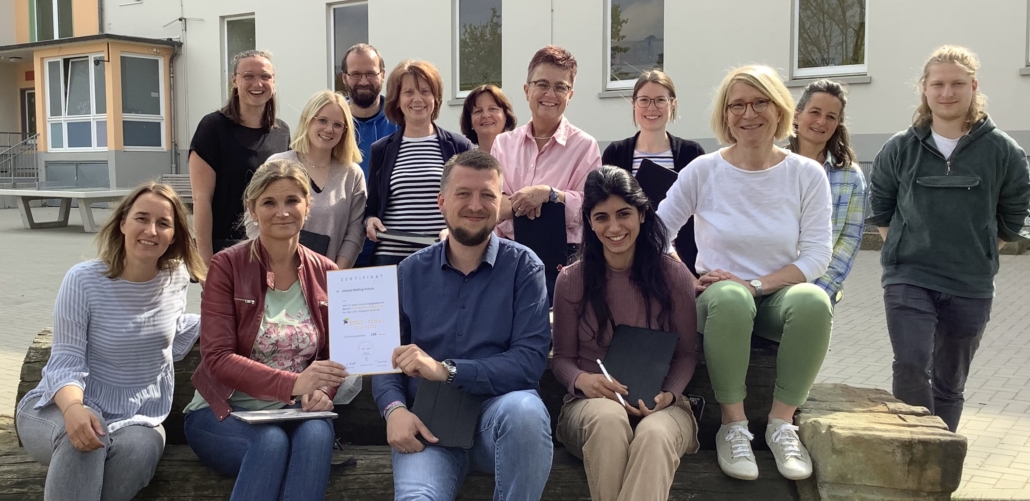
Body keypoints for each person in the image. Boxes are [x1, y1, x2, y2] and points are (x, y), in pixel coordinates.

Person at [656, 64, 833, 482]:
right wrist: (685, 276)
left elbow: (816, 257)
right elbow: (657, 232)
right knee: (732, 299)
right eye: (737, 104)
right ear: (725, 113)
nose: (748, 113)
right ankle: (733, 427)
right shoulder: (703, 170)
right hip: (717, 300)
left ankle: (780, 425)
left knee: (814, 300)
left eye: (759, 102)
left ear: (779, 109)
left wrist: (756, 284)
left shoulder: (806, 174)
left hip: (774, 296)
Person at [372, 150, 553, 500]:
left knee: (527, 412)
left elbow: (530, 361)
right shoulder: (409, 271)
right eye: (463, 193)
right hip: (428, 426)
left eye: (487, 194)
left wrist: (447, 371)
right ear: (442, 201)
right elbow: (385, 355)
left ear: (500, 203)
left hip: (497, 422)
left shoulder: (524, 267)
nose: (476, 204)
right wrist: (393, 410)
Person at [868, 46, 1030, 433]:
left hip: (970, 284)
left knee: (949, 384)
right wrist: (903, 247)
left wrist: (979, 250)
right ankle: (915, 453)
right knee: (909, 368)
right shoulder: (898, 148)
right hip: (909, 278)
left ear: (973, 87)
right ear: (923, 89)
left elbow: (1012, 217)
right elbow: (882, 207)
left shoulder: (1004, 151)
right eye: (937, 84)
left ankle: (939, 469)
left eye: (957, 84)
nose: (947, 92)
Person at [16, 182, 206, 501]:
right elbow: (66, 361)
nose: (151, 230)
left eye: (164, 223)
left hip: (141, 416)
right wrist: (75, 408)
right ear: (122, 223)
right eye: (141, 218)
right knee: (86, 434)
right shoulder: (83, 280)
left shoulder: (175, 278)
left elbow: (171, 326)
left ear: (175, 235)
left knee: (139, 452)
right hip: (58, 408)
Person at [183, 160, 349, 501]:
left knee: (318, 433)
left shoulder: (328, 272)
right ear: (253, 210)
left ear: (308, 205)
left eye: (292, 201)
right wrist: (294, 384)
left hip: (295, 412)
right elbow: (216, 357)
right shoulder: (226, 265)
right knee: (270, 442)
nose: (282, 212)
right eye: (269, 203)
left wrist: (323, 392)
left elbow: (337, 355)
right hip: (222, 412)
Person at [552, 166, 700, 501]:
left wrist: (670, 395)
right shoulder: (571, 280)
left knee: (654, 436)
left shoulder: (673, 275)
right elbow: (562, 358)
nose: (614, 227)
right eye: (602, 217)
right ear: (589, 221)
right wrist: (582, 381)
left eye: (624, 214)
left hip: (663, 405)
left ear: (643, 214)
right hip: (591, 408)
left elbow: (687, 353)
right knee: (608, 418)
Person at [491, 45, 601, 258]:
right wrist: (532, 201)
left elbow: (589, 209)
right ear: (526, 90)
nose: (550, 94)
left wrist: (549, 194)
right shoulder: (503, 144)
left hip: (562, 258)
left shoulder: (585, 146)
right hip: (507, 255)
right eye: (542, 84)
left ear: (570, 95)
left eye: (560, 87)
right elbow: (492, 204)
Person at [364, 60, 472, 266]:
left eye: (425, 91)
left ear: (436, 98)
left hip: (443, 254)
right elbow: (372, 207)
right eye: (409, 92)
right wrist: (370, 221)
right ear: (397, 100)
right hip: (392, 257)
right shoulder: (381, 150)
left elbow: (468, 202)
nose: (417, 99)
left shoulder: (459, 146)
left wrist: (454, 230)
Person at [189, 50, 291, 265]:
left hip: (271, 249)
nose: (258, 83)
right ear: (234, 81)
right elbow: (201, 200)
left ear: (273, 82)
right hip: (225, 249)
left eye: (265, 76)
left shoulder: (282, 132)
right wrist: (205, 263)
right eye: (249, 76)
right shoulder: (213, 128)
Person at [601, 70, 705, 275]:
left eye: (660, 100)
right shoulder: (616, 153)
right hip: (629, 260)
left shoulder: (691, 153)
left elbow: (701, 211)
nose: (651, 108)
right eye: (644, 100)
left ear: (672, 104)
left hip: (682, 259)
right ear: (634, 104)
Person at [249, 90, 367, 270]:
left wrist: (336, 276)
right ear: (308, 120)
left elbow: (355, 232)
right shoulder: (278, 164)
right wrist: (270, 266)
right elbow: (253, 219)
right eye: (322, 120)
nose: (329, 129)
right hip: (277, 274)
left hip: (328, 279)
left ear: (345, 131)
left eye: (337, 124)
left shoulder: (352, 174)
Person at [785, 79, 867, 306]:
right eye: (815, 112)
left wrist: (820, 291)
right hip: (770, 283)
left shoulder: (850, 177)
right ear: (797, 115)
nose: (821, 122)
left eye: (831, 116)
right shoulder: (773, 166)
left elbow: (849, 240)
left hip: (817, 292)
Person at [340, 43, 399, 267]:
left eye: (371, 73)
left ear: (382, 75)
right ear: (344, 77)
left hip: (391, 246)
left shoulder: (402, 123)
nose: (363, 81)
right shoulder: (332, 123)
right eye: (355, 74)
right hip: (341, 248)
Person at [459, 84, 517, 154]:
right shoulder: (464, 163)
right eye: (478, 111)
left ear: (506, 116)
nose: (485, 115)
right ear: (470, 120)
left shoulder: (520, 157)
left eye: (493, 109)